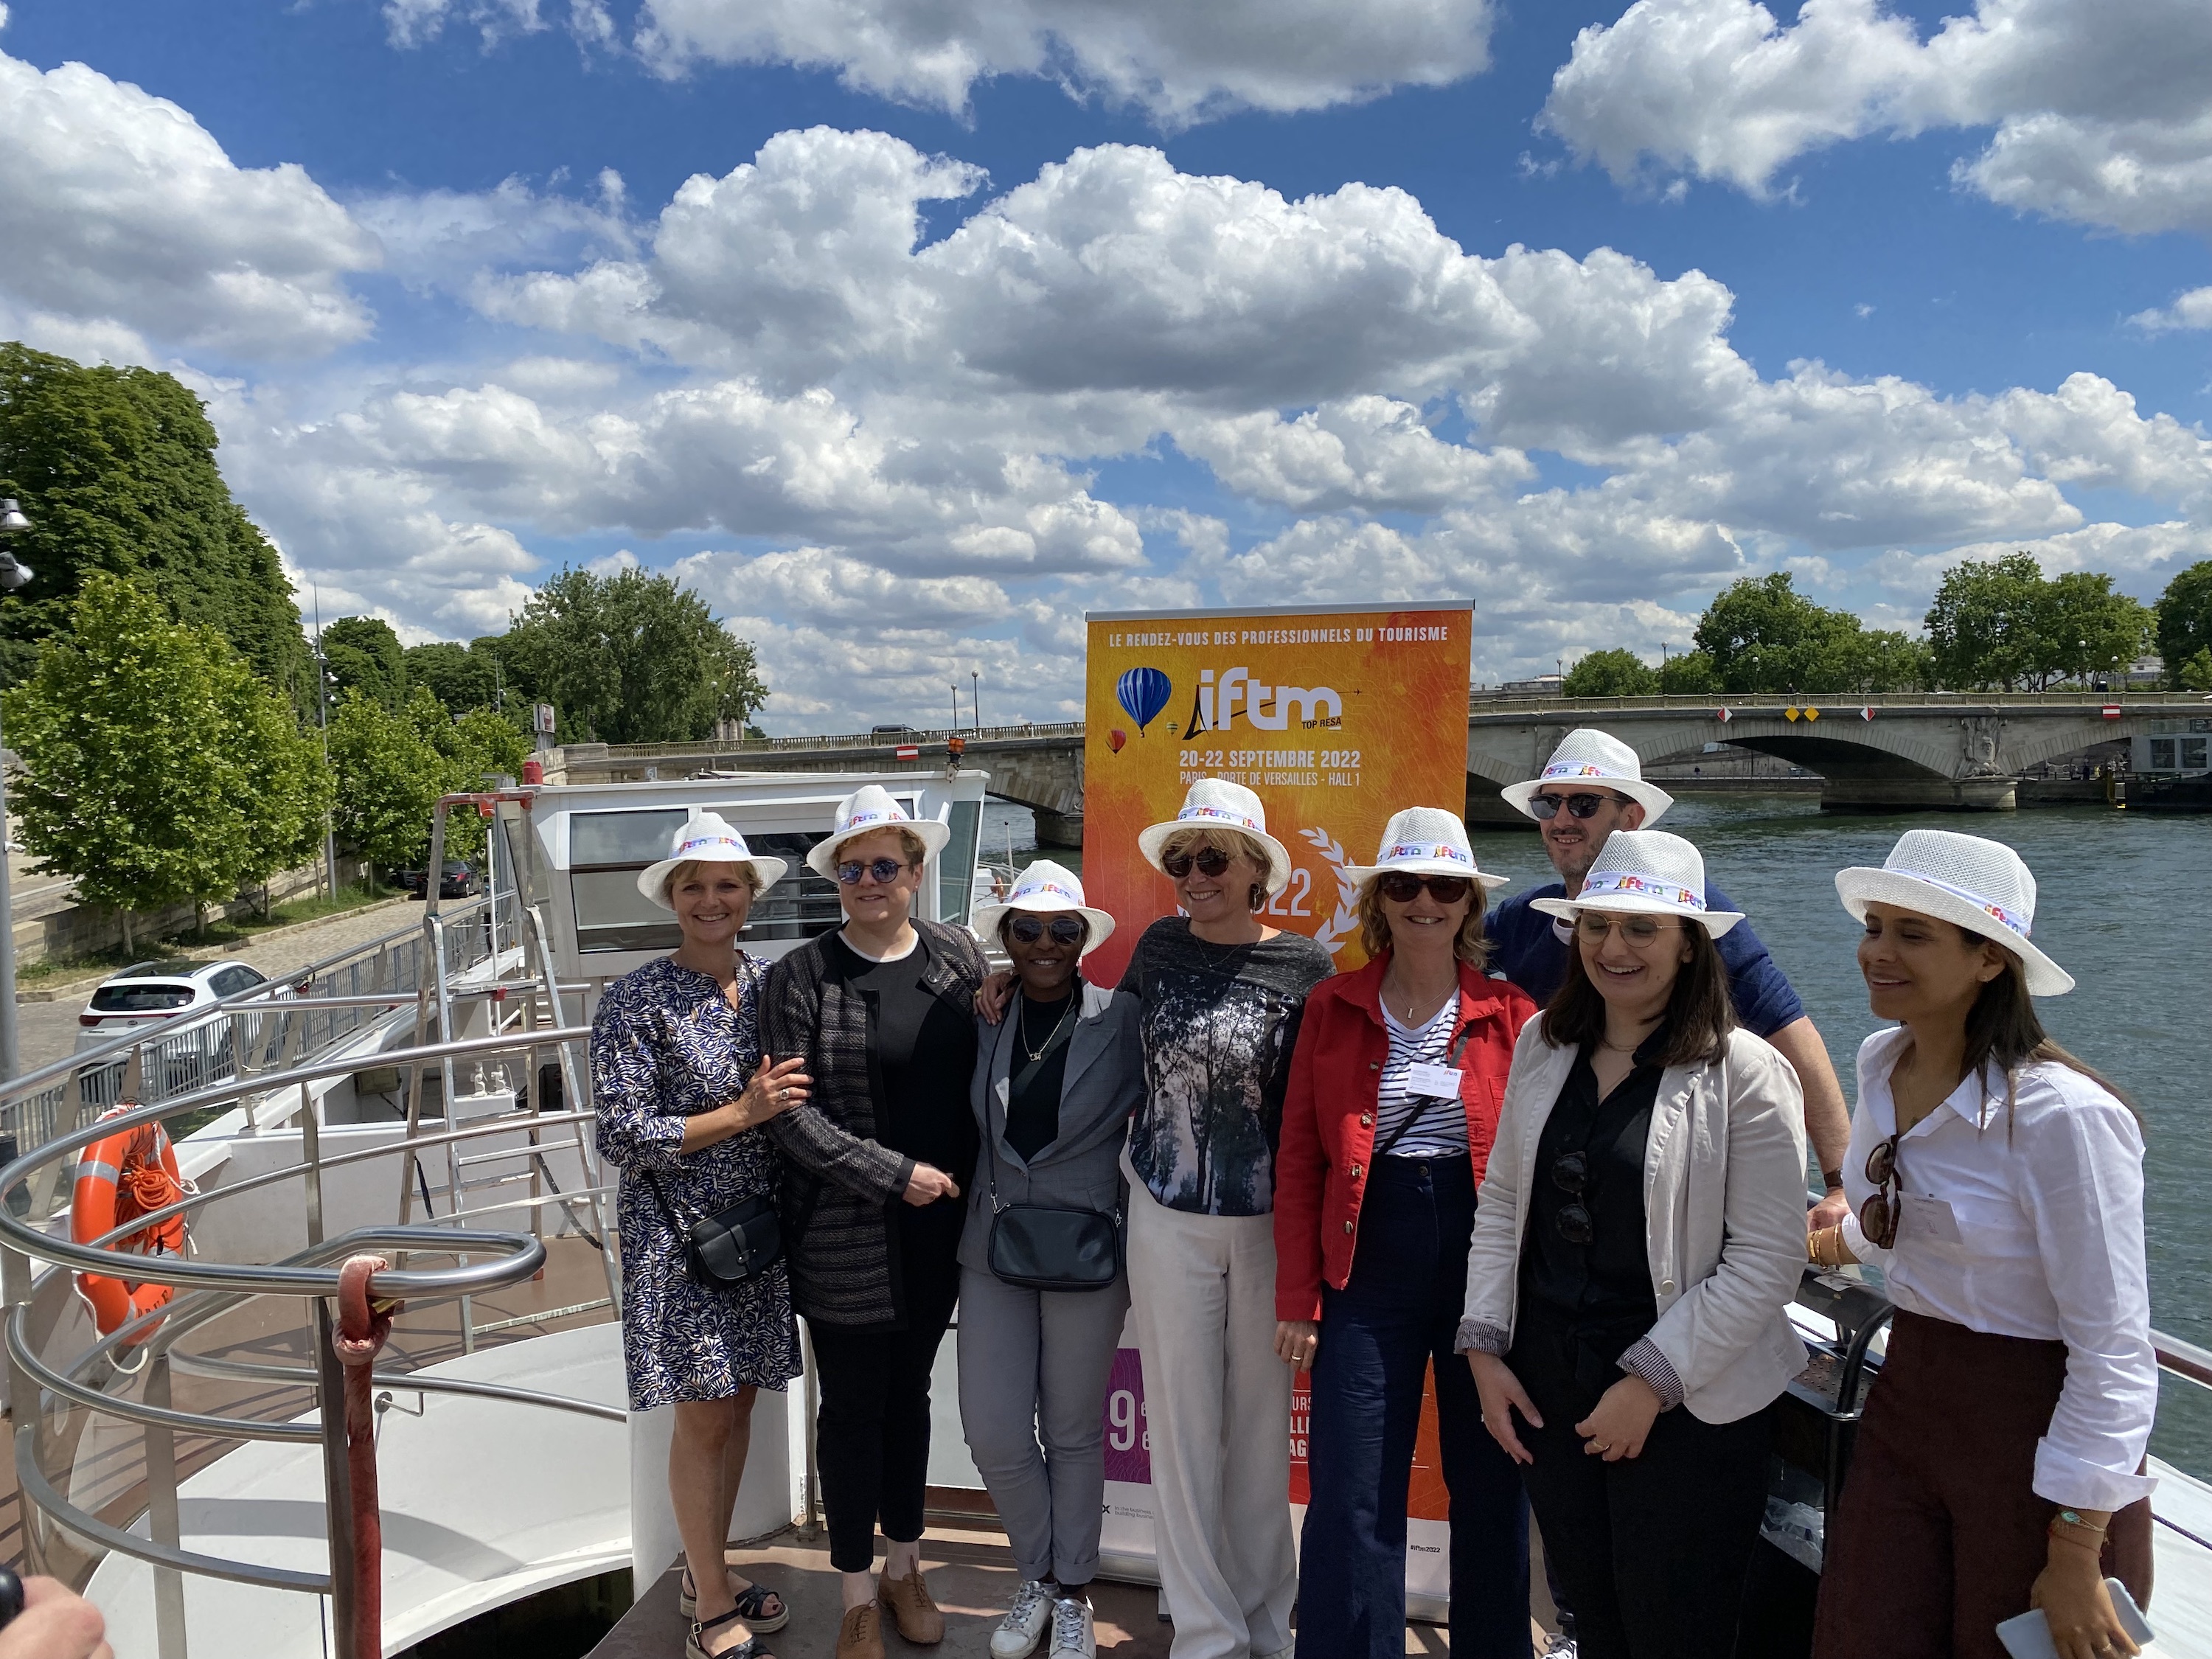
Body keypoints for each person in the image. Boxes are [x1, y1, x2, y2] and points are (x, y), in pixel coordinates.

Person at [1458, 830, 1809, 1659]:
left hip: (1688, 1404)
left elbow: (1766, 1258)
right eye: (1596, 925)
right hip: (1551, 1384)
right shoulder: (1547, 1042)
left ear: (1691, 946)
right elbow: (1506, 1200)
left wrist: (1650, 1384)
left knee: (1674, 1627)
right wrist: (1484, 1348)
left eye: (1643, 928)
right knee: (1593, 1619)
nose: (1614, 947)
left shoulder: (1746, 1073)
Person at [1809, 830, 2154, 1659]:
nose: (1877, 952)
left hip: (2032, 1436)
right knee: (1864, 1632)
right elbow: (1918, 1224)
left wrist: (2075, 1546)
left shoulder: (2063, 1118)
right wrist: (1829, 1245)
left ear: (1991, 959)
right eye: (1875, 926)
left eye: (1913, 934)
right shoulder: (1879, 1062)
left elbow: (2111, 1350)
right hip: (1908, 1407)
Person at [1271, 807, 1538, 1658]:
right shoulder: (1332, 1005)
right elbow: (1301, 1160)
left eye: (1445, 887)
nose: (1426, 901)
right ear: (1379, 901)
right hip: (1366, 1255)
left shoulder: (1514, 1013)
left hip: (1481, 1256)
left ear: (1469, 905)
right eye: (1406, 885)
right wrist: (1298, 1297)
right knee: (1353, 1492)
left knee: (1493, 1480)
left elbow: (1531, 1161)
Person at [759, 786, 989, 1659]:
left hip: (939, 1233)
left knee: (912, 1398)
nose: (869, 881)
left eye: (885, 866)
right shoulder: (801, 978)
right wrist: (895, 1176)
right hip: (841, 1232)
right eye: (852, 868)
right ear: (836, 880)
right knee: (852, 1407)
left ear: (916, 872)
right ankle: (856, 1592)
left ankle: (906, 1566)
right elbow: (790, 1117)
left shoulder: (960, 957)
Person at [1120, 779, 1335, 1659]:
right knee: (1178, 1430)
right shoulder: (1157, 948)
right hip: (1164, 1213)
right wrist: (1006, 987)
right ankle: (1205, 1635)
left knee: (1257, 1431)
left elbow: (1322, 1110)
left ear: (1257, 875)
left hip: (1266, 1225)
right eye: (1182, 860)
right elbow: (1099, 1040)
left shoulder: (1306, 966)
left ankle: (1263, 1623)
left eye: (1213, 859)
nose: (1194, 876)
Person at [1486, 728, 1854, 1234]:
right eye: (1548, 804)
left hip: (1662, 1190)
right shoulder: (1520, 918)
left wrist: (1841, 1185)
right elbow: (1437, 972)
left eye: (1585, 803)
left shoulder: (1695, 913)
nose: (1562, 820)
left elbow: (1790, 1032)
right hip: (1560, 1181)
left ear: (1631, 817)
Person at [591, 813, 804, 1659]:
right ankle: (712, 1598)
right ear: (672, 899)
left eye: (726, 884)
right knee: (703, 1414)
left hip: (754, 1229)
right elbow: (623, 1133)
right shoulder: (637, 998)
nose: (710, 899)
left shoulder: (770, 985)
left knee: (739, 1397)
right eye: (693, 886)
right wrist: (742, 1113)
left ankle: (701, 1572)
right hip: (678, 1238)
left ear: (749, 896)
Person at [958, 862, 1143, 1659]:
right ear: (1005, 940)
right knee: (994, 1431)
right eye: (1027, 930)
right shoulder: (982, 1016)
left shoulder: (1123, 1018)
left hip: (1087, 1246)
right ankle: (1035, 1573)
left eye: (1062, 930)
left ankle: (1071, 1590)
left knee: (1071, 1431)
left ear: (1084, 940)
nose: (1044, 945)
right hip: (993, 1243)